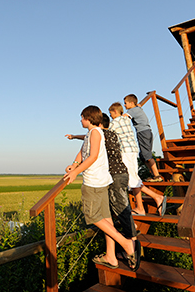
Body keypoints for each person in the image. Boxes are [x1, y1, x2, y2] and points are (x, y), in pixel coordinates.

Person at [64, 106, 139, 270]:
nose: (80, 120)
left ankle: (126, 244)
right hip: (102, 180)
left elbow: (93, 156)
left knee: (92, 216)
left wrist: (76, 172)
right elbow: (83, 151)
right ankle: (111, 256)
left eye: (82, 117)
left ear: (88, 118)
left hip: (94, 182)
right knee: (106, 217)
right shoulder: (94, 133)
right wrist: (75, 164)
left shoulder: (96, 133)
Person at [109, 102, 167, 216]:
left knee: (132, 180)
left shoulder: (114, 123)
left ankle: (156, 198)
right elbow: (133, 111)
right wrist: (138, 106)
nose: (110, 116)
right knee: (134, 179)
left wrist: (77, 136)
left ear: (115, 112)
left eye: (111, 113)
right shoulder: (126, 120)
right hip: (133, 151)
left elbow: (103, 134)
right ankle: (141, 207)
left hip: (125, 152)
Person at [124, 94, 163, 183]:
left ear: (131, 103)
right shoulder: (138, 108)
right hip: (147, 131)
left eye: (125, 103)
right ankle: (153, 174)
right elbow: (138, 106)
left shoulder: (132, 110)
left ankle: (156, 175)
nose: (124, 105)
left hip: (142, 133)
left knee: (147, 155)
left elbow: (124, 117)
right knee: (143, 156)